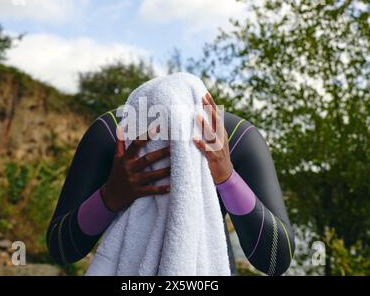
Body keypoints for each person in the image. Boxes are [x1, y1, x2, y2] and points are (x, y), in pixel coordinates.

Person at [46, 91, 295, 276]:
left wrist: (226, 176)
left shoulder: (233, 138)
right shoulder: (112, 133)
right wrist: (111, 195)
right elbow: (61, 249)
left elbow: (277, 259)